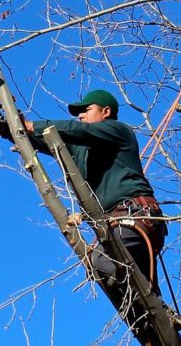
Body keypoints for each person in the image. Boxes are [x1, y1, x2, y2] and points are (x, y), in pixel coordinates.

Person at [12, 89, 167, 290]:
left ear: (106, 112)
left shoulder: (118, 131)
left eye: (86, 110)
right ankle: (160, 316)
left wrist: (34, 125)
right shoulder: (82, 150)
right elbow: (43, 140)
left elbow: (75, 130)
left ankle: (151, 305)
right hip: (119, 225)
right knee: (138, 298)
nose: (80, 116)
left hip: (135, 216)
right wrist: (9, 126)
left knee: (100, 262)